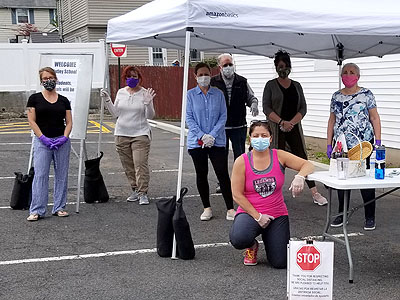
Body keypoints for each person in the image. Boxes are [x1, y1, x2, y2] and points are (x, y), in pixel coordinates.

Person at [229, 120, 314, 268]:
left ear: (270, 138)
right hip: (251, 213)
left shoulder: (279, 155)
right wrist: (258, 216)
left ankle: (271, 237)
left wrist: (300, 177)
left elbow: (308, 164)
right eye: (256, 136)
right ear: (250, 138)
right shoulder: (242, 161)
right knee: (239, 238)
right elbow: (237, 195)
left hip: (277, 214)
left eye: (264, 135)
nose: (260, 139)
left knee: (280, 263)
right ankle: (252, 245)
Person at [262, 50, 327, 206]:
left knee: (302, 159)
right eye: (279, 66)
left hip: (294, 129)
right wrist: (281, 122)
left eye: (284, 66)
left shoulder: (297, 86)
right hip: (277, 129)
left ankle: (314, 193)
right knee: (276, 161)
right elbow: (266, 108)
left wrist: (291, 122)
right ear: (276, 67)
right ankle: (273, 195)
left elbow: (303, 108)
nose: (282, 69)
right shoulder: (270, 85)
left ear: (289, 66)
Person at [327, 62, 382, 230]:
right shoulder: (336, 96)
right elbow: (332, 120)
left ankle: (370, 215)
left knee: (364, 179)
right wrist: (329, 144)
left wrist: (377, 141)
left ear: (358, 76)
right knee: (342, 180)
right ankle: (342, 214)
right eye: (345, 72)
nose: (348, 75)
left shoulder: (366, 94)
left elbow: (374, 118)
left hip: (363, 144)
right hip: (342, 145)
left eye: (352, 72)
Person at [186, 62, 236, 221]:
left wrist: (212, 135)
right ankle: (206, 207)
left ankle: (230, 208)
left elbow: (223, 116)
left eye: (206, 74)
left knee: (222, 173)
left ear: (210, 74)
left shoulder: (218, 94)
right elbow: (189, 118)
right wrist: (202, 136)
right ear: (195, 77)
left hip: (217, 141)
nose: (203, 77)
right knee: (201, 174)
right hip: (197, 142)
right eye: (200, 75)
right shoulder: (190, 95)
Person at [101, 66, 156, 205]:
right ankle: (135, 189)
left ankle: (143, 192)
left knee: (140, 164)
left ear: (139, 78)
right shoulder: (121, 93)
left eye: (135, 76)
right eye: (129, 76)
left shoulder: (145, 93)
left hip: (140, 134)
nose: (132, 79)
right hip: (121, 133)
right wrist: (107, 100)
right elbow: (115, 114)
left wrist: (148, 104)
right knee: (128, 165)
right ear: (125, 78)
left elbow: (150, 116)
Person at [26, 67, 72, 221]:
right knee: (40, 175)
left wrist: (64, 137)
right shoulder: (34, 99)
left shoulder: (64, 100)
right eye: (45, 78)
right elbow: (31, 121)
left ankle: (59, 207)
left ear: (56, 79)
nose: (48, 81)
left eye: (50, 77)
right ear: (41, 81)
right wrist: (42, 138)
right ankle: (37, 209)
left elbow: (69, 122)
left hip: (61, 142)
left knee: (61, 175)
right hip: (42, 142)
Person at [210, 53, 259, 193]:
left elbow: (251, 97)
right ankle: (223, 182)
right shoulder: (214, 82)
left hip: (239, 125)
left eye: (230, 64)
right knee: (221, 156)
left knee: (240, 156)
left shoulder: (242, 81)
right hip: (221, 127)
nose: (228, 67)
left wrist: (254, 104)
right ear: (220, 67)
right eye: (225, 65)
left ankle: (240, 182)